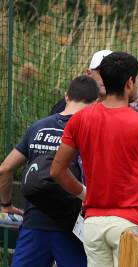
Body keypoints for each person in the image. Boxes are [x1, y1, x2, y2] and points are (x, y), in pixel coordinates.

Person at [50, 51, 138, 267]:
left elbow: (56, 171)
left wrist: (85, 194)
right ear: (130, 82)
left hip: (93, 227)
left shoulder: (80, 120)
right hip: (131, 227)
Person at [0, 75, 99, 267]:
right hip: (73, 227)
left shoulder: (37, 127)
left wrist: (6, 204)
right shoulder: (91, 131)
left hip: (33, 224)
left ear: (66, 96)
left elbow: (4, 169)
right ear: (95, 103)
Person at [49, 49, 113, 115]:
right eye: (101, 72)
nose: (106, 77)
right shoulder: (68, 105)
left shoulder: (122, 106)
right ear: (89, 74)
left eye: (111, 72)